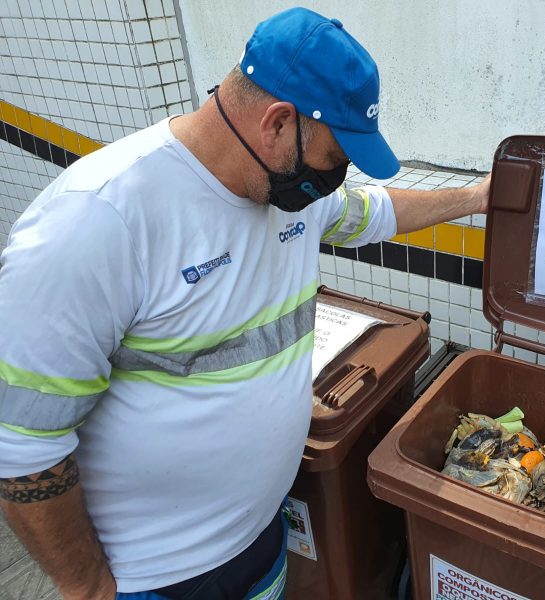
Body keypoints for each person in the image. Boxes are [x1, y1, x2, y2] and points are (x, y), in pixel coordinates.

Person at [0, 7, 489, 600]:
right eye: (336, 158)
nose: (337, 177)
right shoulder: (100, 218)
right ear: (279, 123)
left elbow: (375, 213)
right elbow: (23, 446)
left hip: (262, 542)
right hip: (152, 581)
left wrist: (475, 197)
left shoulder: (292, 196)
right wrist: (86, 588)